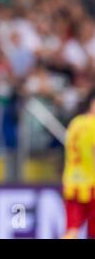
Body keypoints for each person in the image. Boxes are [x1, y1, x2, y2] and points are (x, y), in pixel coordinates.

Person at [62, 88, 95, 239]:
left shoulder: (75, 123)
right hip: (91, 186)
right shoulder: (93, 125)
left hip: (72, 183)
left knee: (72, 230)